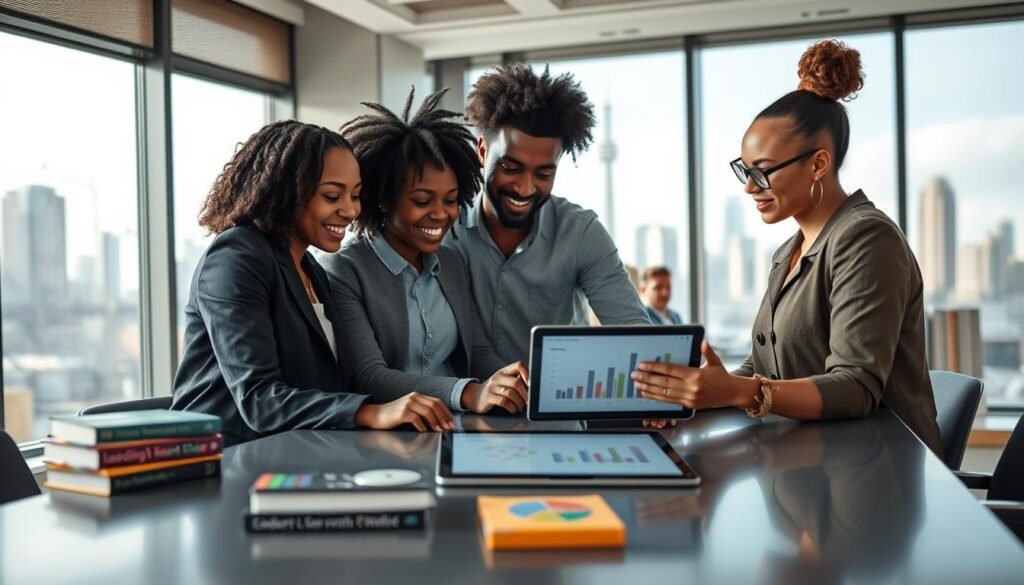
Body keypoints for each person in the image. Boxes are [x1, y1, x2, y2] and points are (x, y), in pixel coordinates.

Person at [630, 40, 942, 454]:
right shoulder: (788, 253)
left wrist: (736, 392)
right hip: (815, 466)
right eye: (744, 170)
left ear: (818, 165)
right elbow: (762, 371)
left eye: (762, 173)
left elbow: (855, 387)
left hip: (883, 474)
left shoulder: (867, 238)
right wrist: (695, 393)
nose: (748, 187)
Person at [171, 121, 454, 445]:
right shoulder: (235, 257)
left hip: (297, 449)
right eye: (332, 195)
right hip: (223, 459)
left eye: (356, 195)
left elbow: (332, 384)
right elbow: (259, 400)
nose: (349, 210)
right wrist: (373, 414)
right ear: (286, 189)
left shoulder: (311, 270)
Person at [318, 88, 529, 415]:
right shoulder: (344, 269)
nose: (441, 214)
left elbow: (477, 350)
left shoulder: (451, 262)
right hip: (392, 435)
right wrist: (469, 392)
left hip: (456, 425)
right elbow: (368, 376)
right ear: (385, 199)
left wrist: (512, 382)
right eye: (421, 201)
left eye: (450, 200)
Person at [447, 64, 650, 365]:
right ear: (482, 152)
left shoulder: (581, 232)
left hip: (563, 408)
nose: (525, 187)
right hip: (468, 405)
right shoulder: (446, 229)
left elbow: (633, 333)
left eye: (543, 173)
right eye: (510, 167)